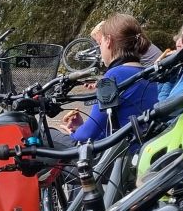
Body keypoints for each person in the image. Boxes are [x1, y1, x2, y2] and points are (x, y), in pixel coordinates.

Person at [58, 13, 158, 143]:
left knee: (48, 137)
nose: (100, 49)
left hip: (119, 155)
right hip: (139, 148)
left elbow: (87, 135)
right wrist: (84, 126)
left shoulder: (113, 76)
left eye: (100, 44)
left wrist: (73, 134)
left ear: (108, 41)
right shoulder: (149, 74)